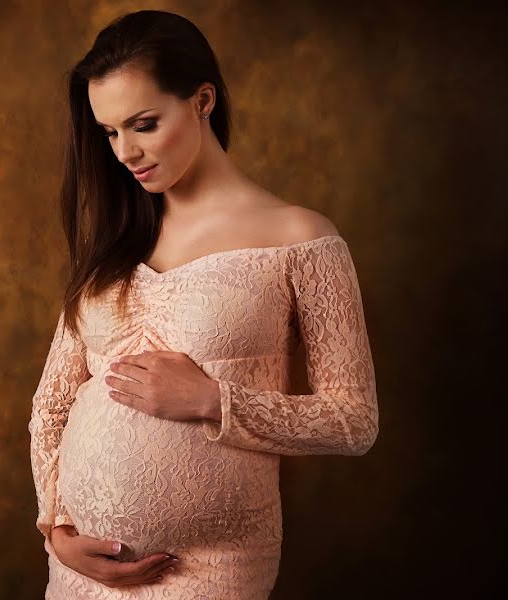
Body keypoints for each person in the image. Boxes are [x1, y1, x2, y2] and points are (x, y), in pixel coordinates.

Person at [27, 9, 379, 600]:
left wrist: (214, 401)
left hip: (212, 570)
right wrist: (55, 527)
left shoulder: (298, 237)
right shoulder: (114, 242)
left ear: (203, 100)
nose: (126, 153)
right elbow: (52, 405)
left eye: (143, 124)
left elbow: (354, 421)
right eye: (110, 132)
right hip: (79, 573)